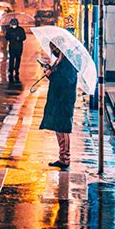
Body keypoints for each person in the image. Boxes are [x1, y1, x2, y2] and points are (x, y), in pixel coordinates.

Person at [39, 40, 78, 170]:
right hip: (59, 98)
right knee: (58, 127)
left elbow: (66, 80)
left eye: (53, 48)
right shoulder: (61, 58)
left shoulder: (67, 61)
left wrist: (52, 75)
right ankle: (62, 157)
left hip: (64, 99)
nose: (53, 51)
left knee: (63, 128)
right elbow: (59, 77)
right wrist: (50, 72)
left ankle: (65, 159)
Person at [5, 18, 27, 83]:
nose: (13, 25)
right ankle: (11, 70)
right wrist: (10, 38)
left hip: (19, 47)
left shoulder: (20, 29)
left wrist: (19, 38)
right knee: (11, 58)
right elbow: (6, 37)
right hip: (12, 47)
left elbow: (24, 37)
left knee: (18, 59)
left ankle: (16, 69)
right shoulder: (9, 30)